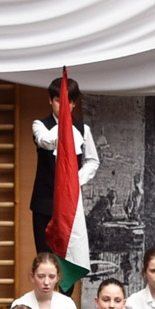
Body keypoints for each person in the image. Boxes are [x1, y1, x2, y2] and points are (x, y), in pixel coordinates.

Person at [29, 76, 99, 251]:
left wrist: (75, 179)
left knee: (69, 255)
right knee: (45, 256)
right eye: (58, 101)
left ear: (74, 103)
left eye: (68, 102)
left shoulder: (83, 129)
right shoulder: (40, 125)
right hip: (44, 202)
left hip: (70, 203)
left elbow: (92, 161)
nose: (63, 106)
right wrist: (65, 132)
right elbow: (44, 141)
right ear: (50, 101)